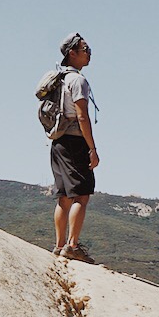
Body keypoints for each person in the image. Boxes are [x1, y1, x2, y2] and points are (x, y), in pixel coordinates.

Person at [50, 33, 99, 263]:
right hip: (75, 142)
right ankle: (73, 245)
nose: (89, 52)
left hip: (58, 142)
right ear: (72, 53)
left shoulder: (59, 79)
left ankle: (59, 245)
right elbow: (82, 116)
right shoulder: (77, 81)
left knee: (63, 197)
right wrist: (92, 148)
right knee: (81, 194)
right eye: (85, 48)